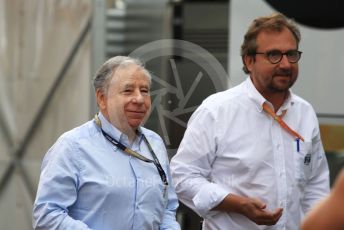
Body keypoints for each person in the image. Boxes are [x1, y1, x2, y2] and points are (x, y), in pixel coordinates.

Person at [170, 13, 329, 230]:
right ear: (249, 60)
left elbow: (315, 185)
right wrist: (238, 204)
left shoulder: (305, 112)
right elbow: (182, 178)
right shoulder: (216, 111)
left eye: (291, 54)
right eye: (274, 55)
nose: (285, 64)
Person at [33, 56, 180, 230]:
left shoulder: (155, 144)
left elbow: (167, 209)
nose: (139, 99)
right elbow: (47, 215)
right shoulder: (72, 147)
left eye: (145, 90)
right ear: (102, 98)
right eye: (128, 91)